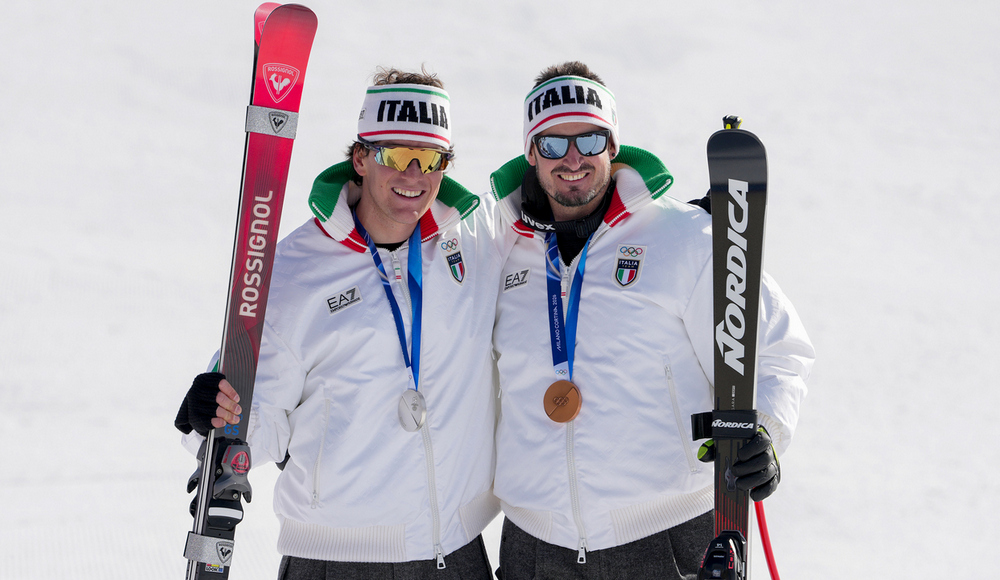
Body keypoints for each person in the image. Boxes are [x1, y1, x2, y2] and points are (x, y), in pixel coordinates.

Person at [175, 68, 512, 579]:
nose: (414, 175)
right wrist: (213, 412)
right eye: (396, 155)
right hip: (337, 560)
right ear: (360, 158)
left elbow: (567, 205)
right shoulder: (295, 270)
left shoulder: (476, 240)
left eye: (431, 159)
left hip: (457, 554)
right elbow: (256, 421)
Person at [487, 62, 815, 579]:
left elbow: (776, 351)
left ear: (613, 147)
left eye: (590, 140)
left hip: (665, 538)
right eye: (553, 143)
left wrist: (767, 432)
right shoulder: (499, 250)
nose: (573, 159)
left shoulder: (683, 237)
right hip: (534, 547)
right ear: (530, 152)